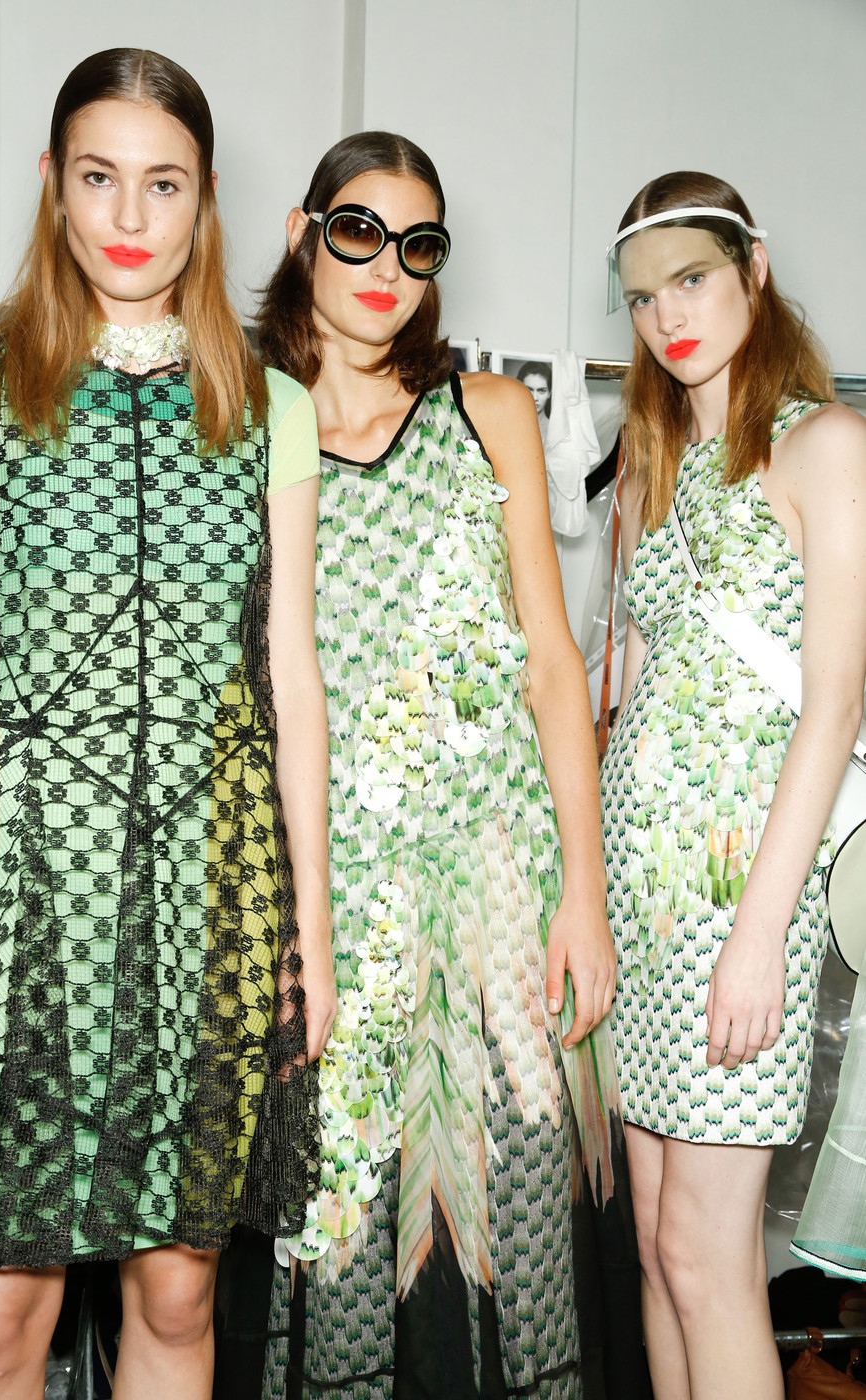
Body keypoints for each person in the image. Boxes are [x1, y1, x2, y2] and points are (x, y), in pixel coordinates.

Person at [0, 48, 334, 1400]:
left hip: (208, 898)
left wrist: (311, 931)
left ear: (205, 200)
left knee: (177, 1293)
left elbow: (289, 681)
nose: (128, 214)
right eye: (100, 177)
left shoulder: (271, 408)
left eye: (164, 185)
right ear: (54, 184)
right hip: (21, 894)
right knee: (1, 1317)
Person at [254, 131, 626, 1400]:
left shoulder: (489, 413)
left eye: (419, 246)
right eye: (359, 231)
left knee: (520, 1232)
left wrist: (585, 890)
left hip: (499, 892)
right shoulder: (250, 425)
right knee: (340, 1236)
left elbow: (553, 665)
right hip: (334, 897)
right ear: (304, 233)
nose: (387, 269)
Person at [600, 170, 866, 1400]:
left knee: (711, 1261)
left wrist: (761, 933)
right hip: (643, 906)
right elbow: (635, 690)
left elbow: (835, 704)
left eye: (693, 278)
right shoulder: (658, 466)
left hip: (738, 906)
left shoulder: (826, 446)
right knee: (661, 1252)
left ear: (754, 270)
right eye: (642, 296)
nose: (668, 316)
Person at [516, 358, 552, 443]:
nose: (535, 398)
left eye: (541, 391)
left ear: (549, 393)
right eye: (529, 390)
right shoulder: (508, 426)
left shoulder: (555, 431)